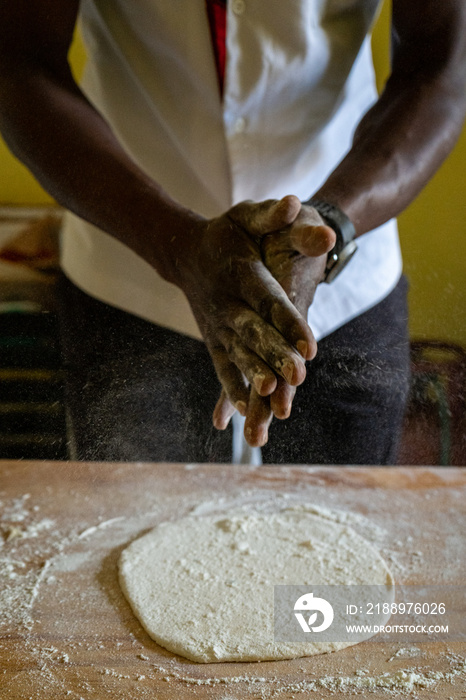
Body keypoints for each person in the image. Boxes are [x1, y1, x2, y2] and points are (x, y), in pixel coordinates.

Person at [0, 1, 465, 464]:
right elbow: (19, 61)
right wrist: (175, 246)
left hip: (346, 272)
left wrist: (330, 222)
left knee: (348, 523)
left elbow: (441, 67)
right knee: (127, 529)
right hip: (132, 269)